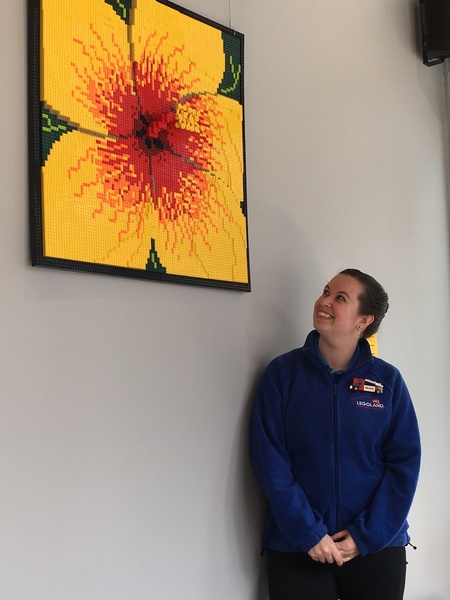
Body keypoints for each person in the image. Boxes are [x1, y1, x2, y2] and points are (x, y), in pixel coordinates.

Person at [249, 268, 421, 600]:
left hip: (375, 547)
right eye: (326, 291)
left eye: (340, 298)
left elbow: (404, 464)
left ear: (363, 321)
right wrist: (308, 533)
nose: (324, 301)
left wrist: (366, 535)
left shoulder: (388, 382)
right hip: (297, 547)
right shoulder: (282, 375)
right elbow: (270, 462)